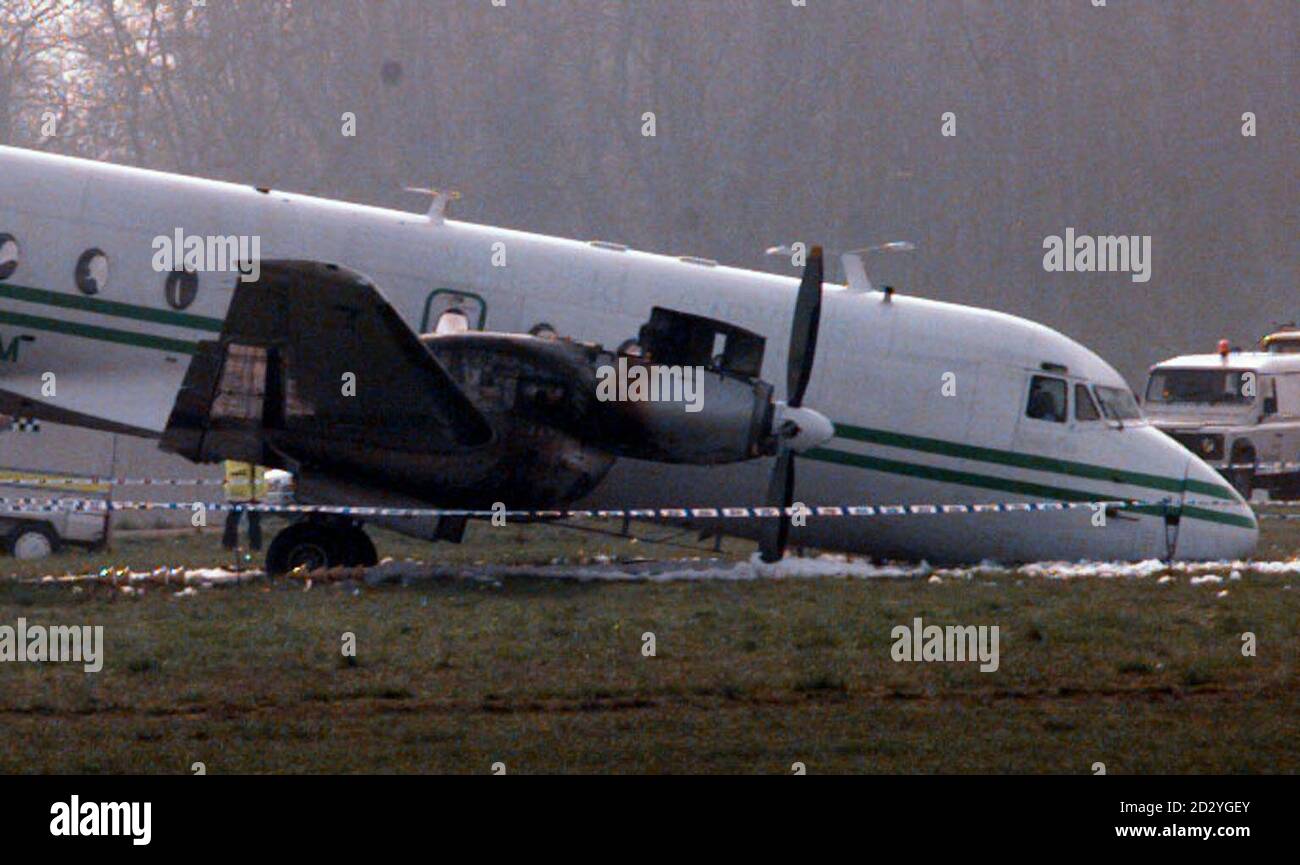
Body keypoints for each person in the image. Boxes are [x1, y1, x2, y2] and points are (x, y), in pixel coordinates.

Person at [222, 461, 265, 551]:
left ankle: (229, 545)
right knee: (253, 520)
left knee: (234, 519)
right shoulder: (252, 451)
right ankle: (255, 546)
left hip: (238, 489)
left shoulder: (231, 452)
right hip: (249, 490)